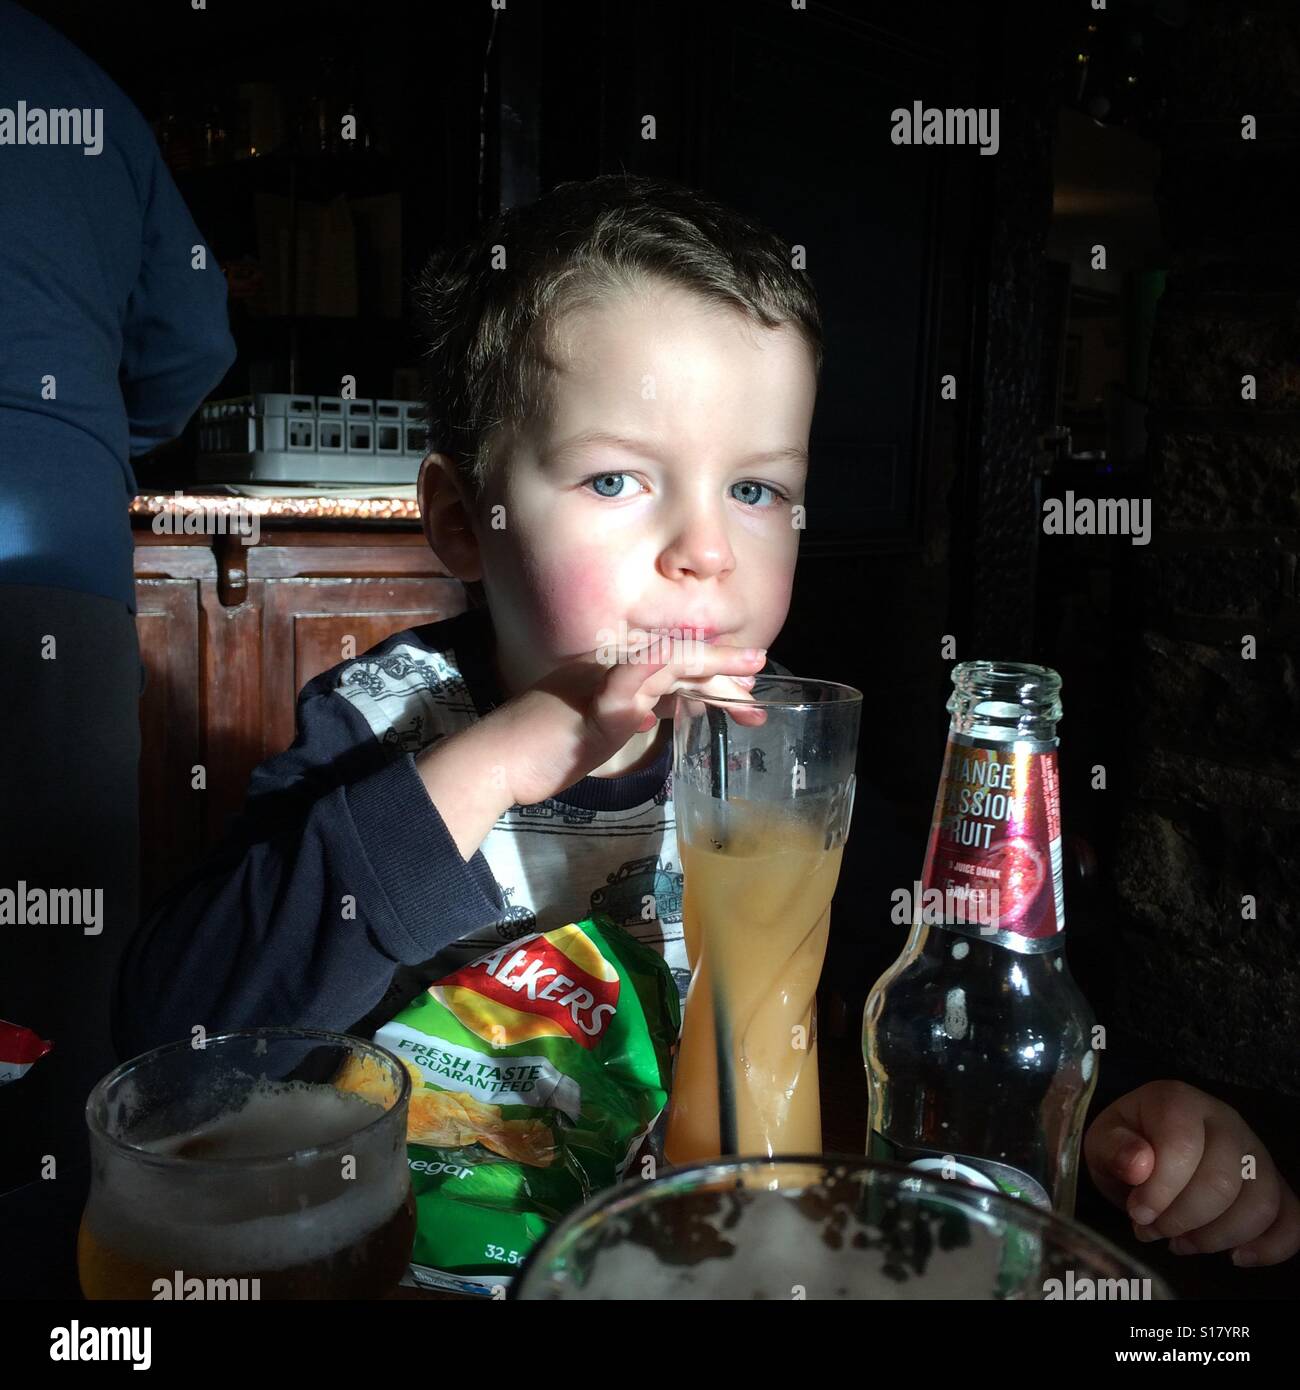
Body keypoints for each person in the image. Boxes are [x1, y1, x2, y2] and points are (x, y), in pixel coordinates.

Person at [114, 174, 1298, 1270]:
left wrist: (1124, 1111)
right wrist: (495, 761)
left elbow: (953, 988)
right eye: (617, 480)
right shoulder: (385, 726)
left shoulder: (780, 757)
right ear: (464, 520)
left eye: (756, 488)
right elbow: (179, 1045)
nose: (706, 549)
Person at [0, 0, 235, 1294]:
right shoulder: (79, 84)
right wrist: (94, 429)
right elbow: (193, 344)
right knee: (49, 987)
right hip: (49, 556)